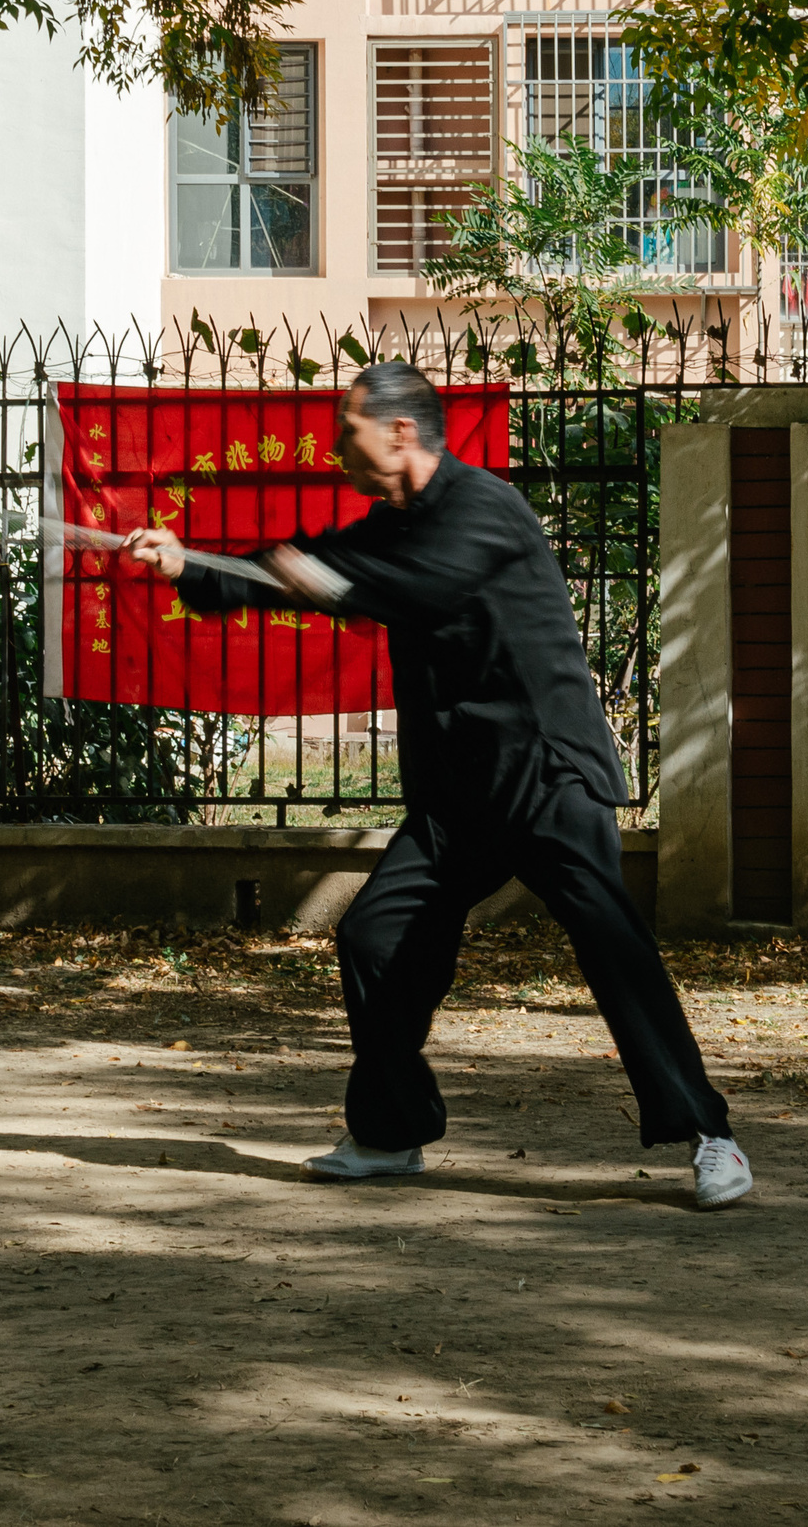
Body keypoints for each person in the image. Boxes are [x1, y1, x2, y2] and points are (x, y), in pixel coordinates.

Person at [120, 362, 750, 1208]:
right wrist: (186, 568)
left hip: (544, 775)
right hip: (458, 795)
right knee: (375, 936)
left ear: (400, 432)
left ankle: (711, 1136)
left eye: (348, 432)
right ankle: (389, 1134)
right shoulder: (395, 523)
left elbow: (418, 587)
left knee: (611, 943)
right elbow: (311, 564)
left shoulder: (485, 507)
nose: (338, 449)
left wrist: (320, 577)